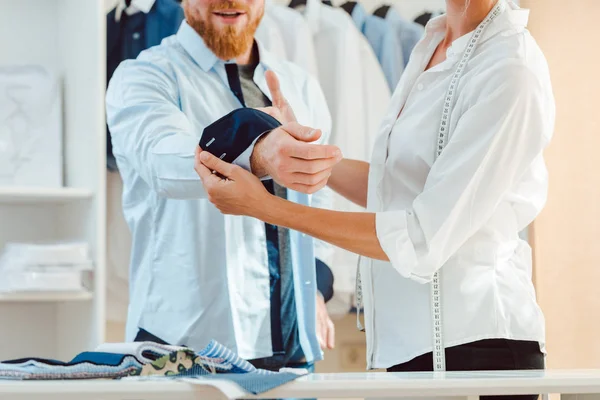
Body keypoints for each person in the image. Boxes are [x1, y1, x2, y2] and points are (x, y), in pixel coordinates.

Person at [195, 0, 555, 397]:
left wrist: (267, 208)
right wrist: (305, 154)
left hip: (480, 349)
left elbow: (420, 236)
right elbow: (396, 187)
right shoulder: (435, 42)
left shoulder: (509, 68)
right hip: (415, 348)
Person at [105, 0, 341, 373]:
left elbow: (323, 193)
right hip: (183, 352)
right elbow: (164, 160)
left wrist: (316, 284)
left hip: (292, 355)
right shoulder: (143, 76)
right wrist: (259, 150)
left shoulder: (299, 83)